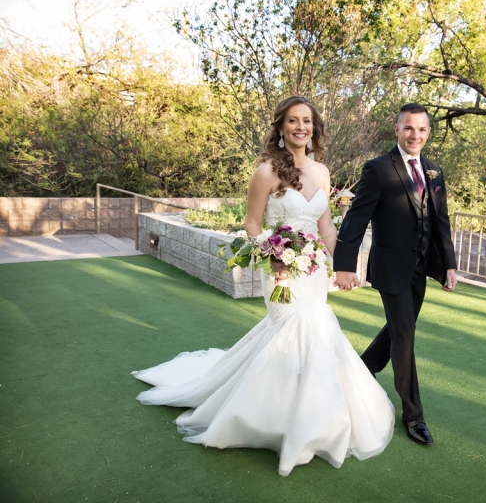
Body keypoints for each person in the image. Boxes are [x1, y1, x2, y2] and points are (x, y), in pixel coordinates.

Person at [131, 96, 395, 477]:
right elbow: (252, 223)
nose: (300, 127)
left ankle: (315, 417)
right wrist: (271, 253)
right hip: (280, 269)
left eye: (306, 120)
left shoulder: (322, 172)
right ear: (282, 127)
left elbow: (325, 227)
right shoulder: (267, 171)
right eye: (292, 121)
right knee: (291, 330)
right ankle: (272, 419)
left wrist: (343, 267)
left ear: (314, 127)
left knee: (316, 329)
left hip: (314, 268)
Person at [334, 103, 458, 446]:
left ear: (428, 132)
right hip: (390, 267)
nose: (414, 135)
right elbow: (356, 218)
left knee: (400, 328)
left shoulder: (434, 171)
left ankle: (362, 368)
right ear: (397, 129)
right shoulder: (378, 169)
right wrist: (344, 264)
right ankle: (413, 415)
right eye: (408, 128)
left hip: (420, 268)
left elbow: (441, 221)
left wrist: (448, 263)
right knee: (405, 336)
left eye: (421, 129)